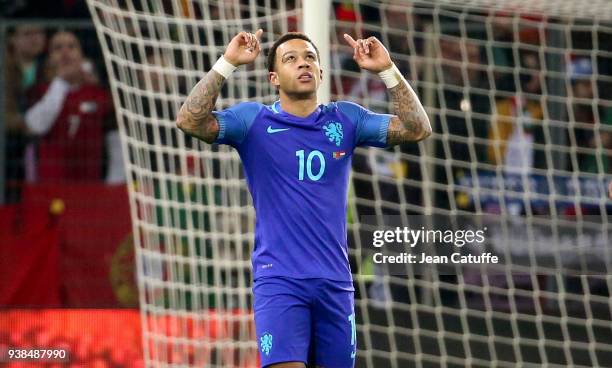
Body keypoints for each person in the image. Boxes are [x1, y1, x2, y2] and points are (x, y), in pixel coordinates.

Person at [176, 29, 431, 367]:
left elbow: (417, 129)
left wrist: (387, 70)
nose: (303, 64)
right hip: (279, 280)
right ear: (274, 78)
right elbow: (189, 121)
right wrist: (227, 63)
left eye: (310, 57)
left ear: (322, 73)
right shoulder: (252, 121)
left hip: (335, 283)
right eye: (290, 59)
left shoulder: (347, 119)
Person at [24, 30, 121, 183]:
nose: (65, 52)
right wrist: (61, 82)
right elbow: (35, 126)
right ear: (49, 59)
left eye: (72, 46)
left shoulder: (100, 94)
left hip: (91, 187)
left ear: (82, 57)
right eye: (58, 48)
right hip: (50, 186)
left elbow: (116, 139)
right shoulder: (39, 91)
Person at [4, 25, 47, 202]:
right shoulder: (5, 66)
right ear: (12, 39)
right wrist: (24, 125)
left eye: (38, 32)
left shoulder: (48, 66)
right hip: (11, 141)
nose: (34, 38)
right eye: (28, 33)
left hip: (41, 139)